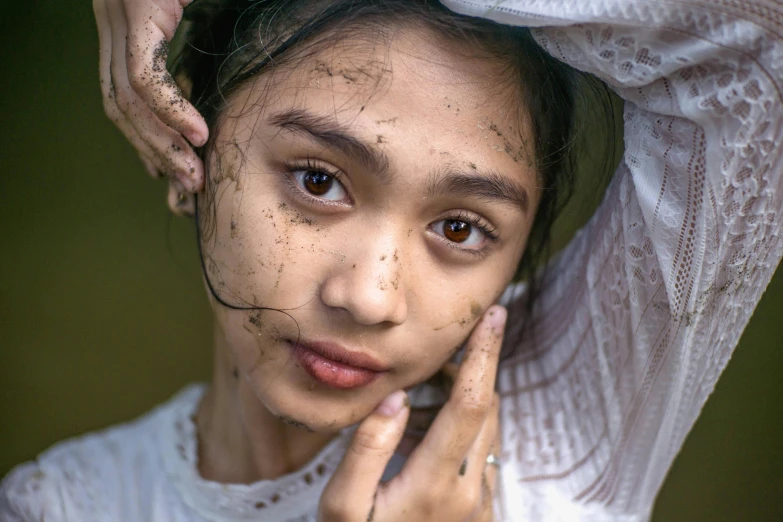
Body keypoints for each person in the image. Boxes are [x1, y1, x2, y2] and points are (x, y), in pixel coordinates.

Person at [1, 0, 781, 521]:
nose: (369, 298)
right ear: (183, 149)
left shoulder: (558, 420)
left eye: (460, 228)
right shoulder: (66, 504)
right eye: (318, 181)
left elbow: (759, 47)